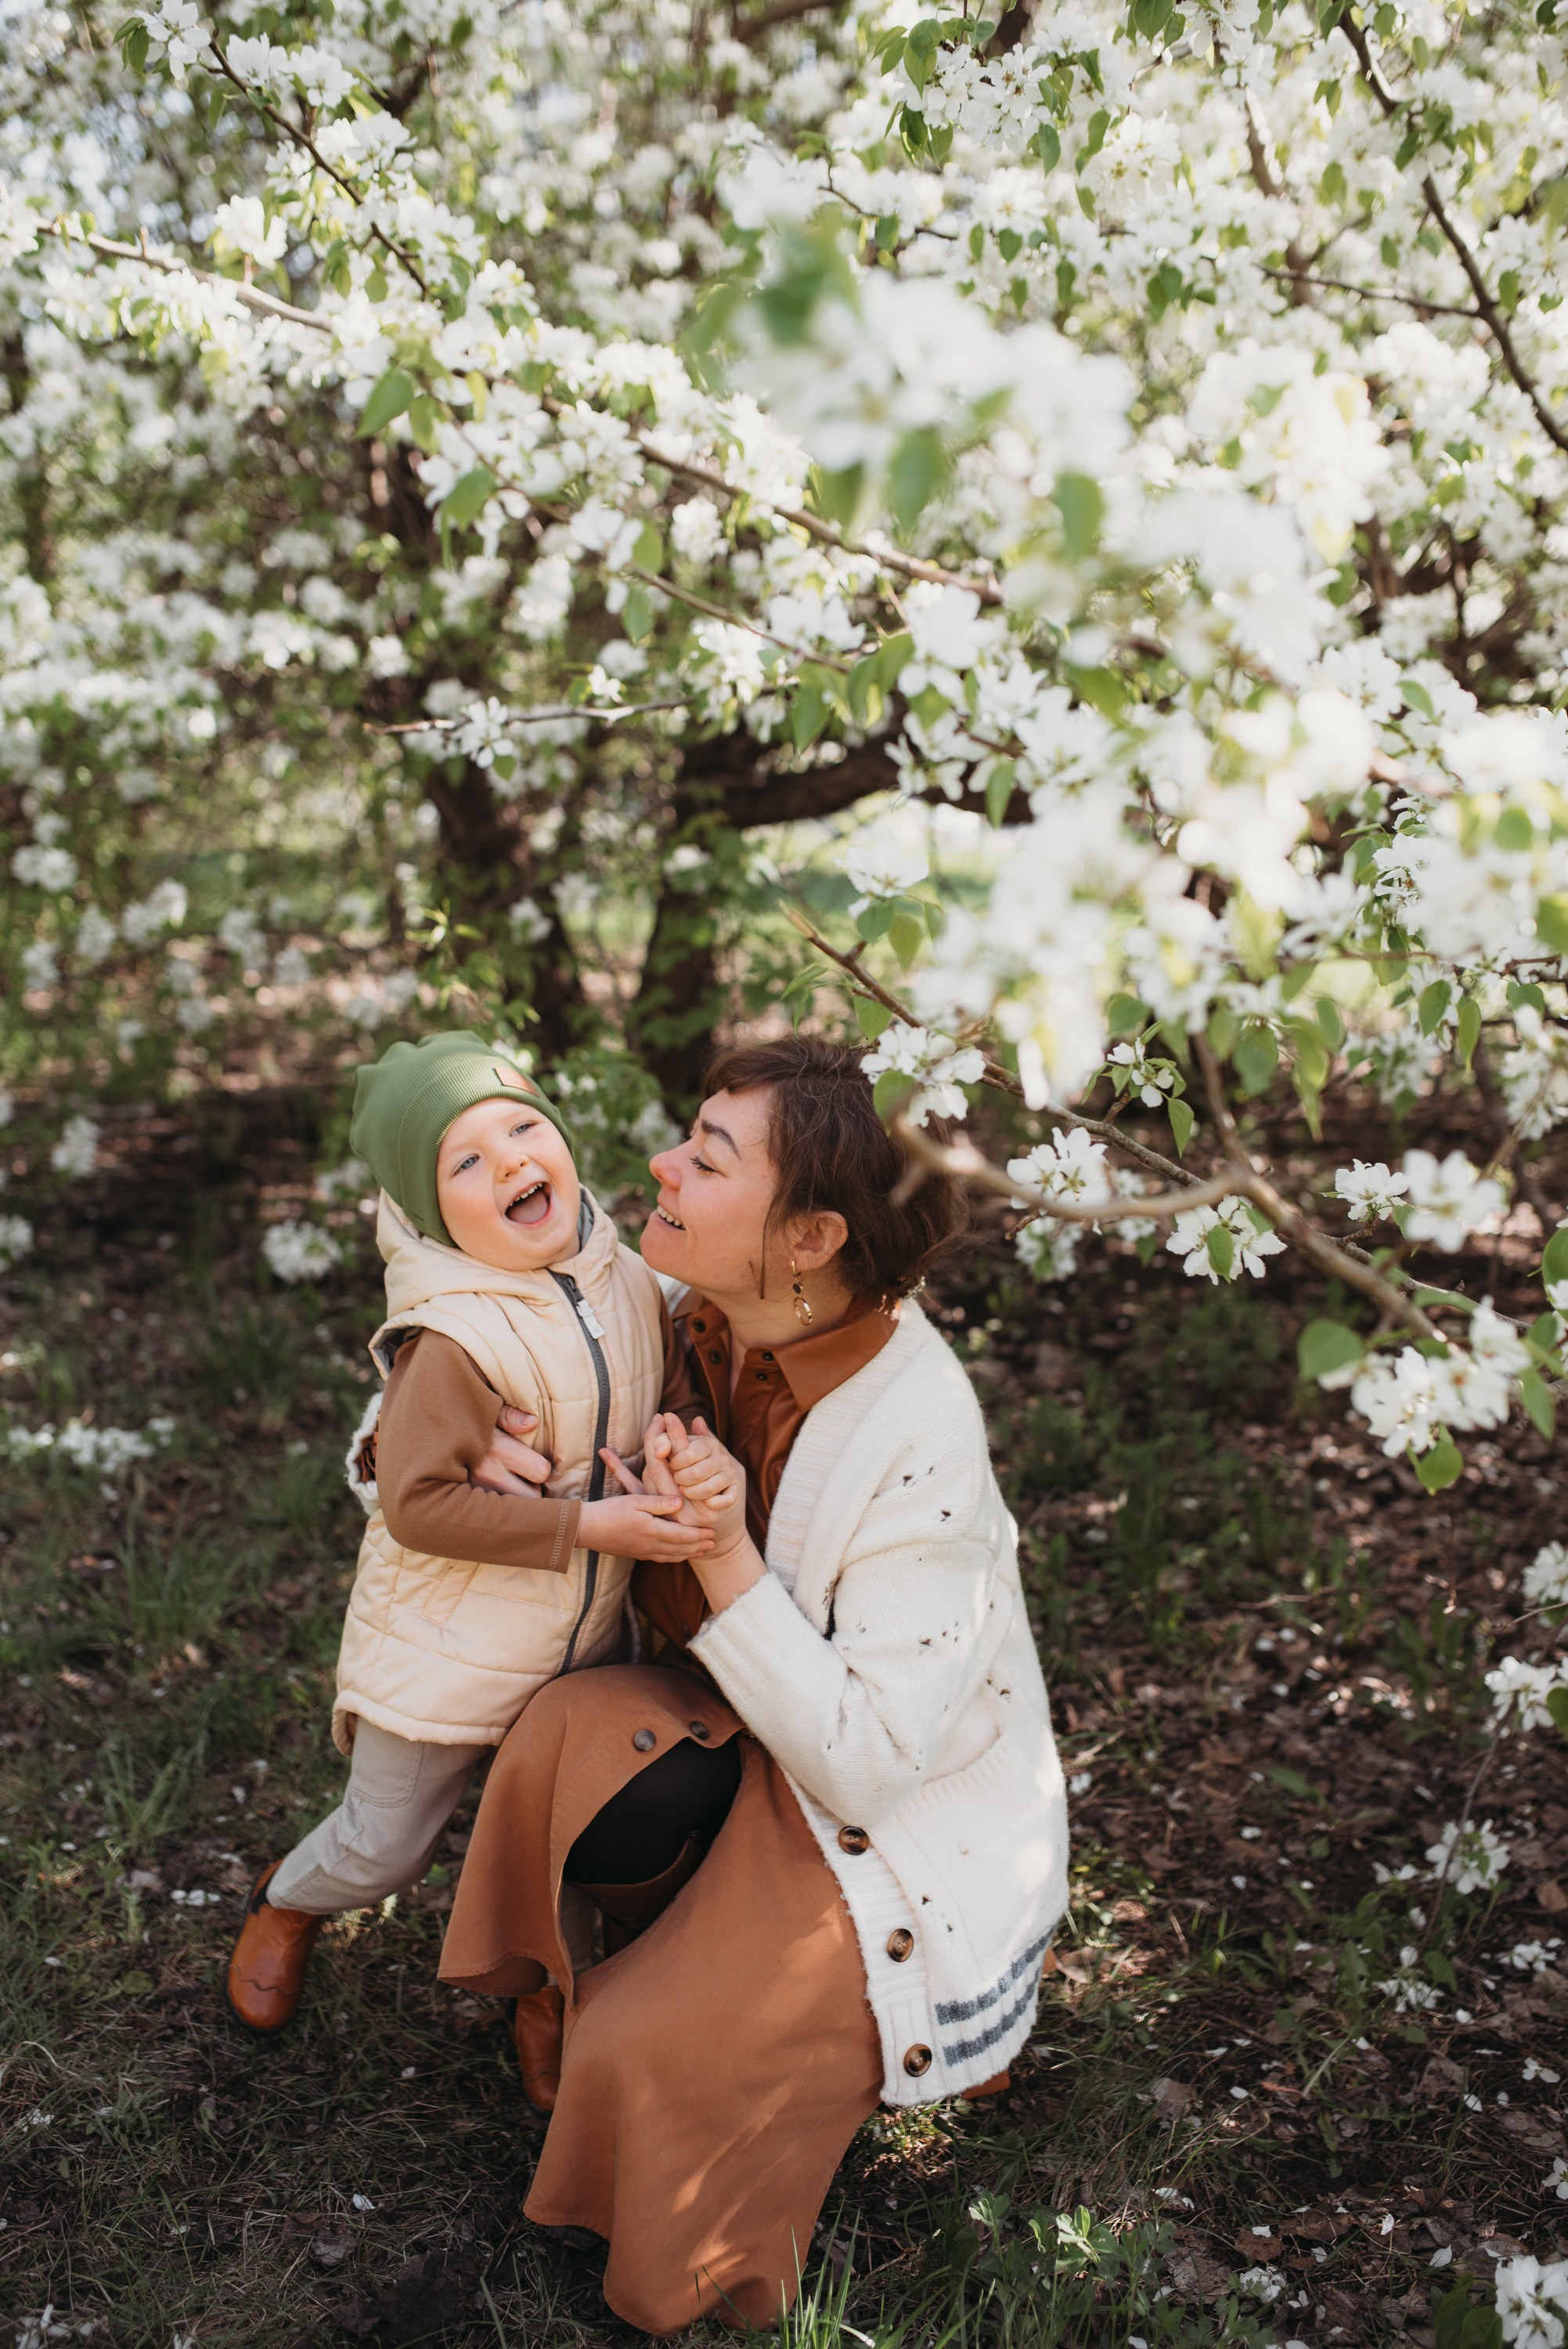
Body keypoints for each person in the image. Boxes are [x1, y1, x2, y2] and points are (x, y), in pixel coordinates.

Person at [439, 1033, 1071, 2335]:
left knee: (648, 2053)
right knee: (563, 1736)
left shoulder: (919, 1435)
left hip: (879, 1818)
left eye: (707, 1157)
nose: (660, 1163)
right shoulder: (685, 1310)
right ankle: (567, 1976)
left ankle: (821, 2071)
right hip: (738, 1735)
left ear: (809, 1236)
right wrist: (466, 1449)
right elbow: (473, 1350)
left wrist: (722, 1555)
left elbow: (865, 1763)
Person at [225, 1030, 708, 2034]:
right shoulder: (451, 1339)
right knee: (384, 1845)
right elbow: (418, 1503)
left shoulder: (619, 1273)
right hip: (447, 1649)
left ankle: (545, 1997)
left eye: (523, 1126)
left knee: (562, 1836)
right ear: (436, 1211)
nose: (512, 1162)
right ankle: (289, 1898)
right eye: (466, 1162)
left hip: (580, 1646)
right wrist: (590, 1522)